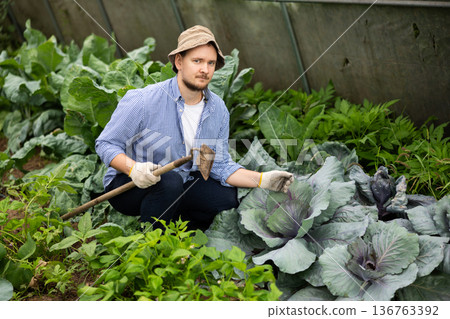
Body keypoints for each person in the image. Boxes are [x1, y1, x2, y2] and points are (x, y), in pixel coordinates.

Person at [95, 25, 293, 230]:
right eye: (197, 61)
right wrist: (133, 168)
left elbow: (220, 165)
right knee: (169, 182)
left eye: (211, 63)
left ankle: (185, 241)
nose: (204, 69)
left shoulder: (218, 110)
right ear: (179, 61)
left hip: (183, 181)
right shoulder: (144, 100)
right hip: (129, 185)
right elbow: (106, 143)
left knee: (226, 199)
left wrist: (262, 179)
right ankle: (151, 245)